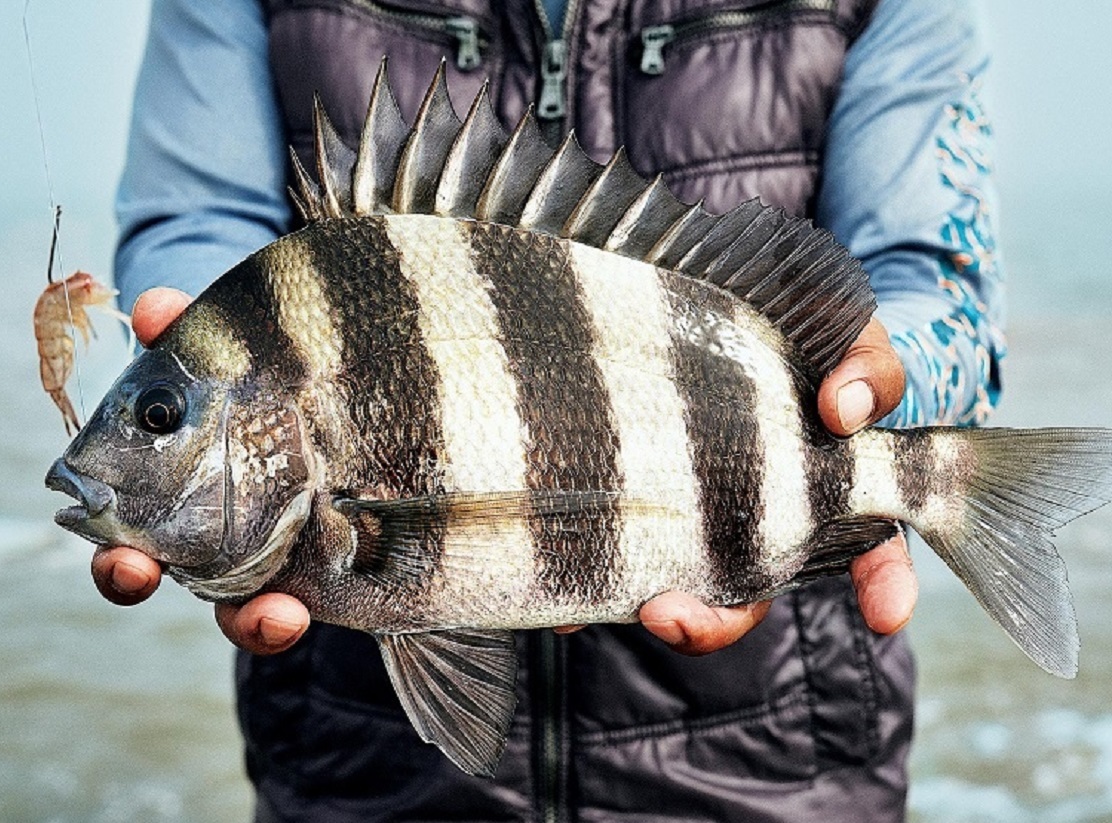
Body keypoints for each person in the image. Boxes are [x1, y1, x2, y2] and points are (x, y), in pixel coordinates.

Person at [95, 0, 1004, 820]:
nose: (131, 442)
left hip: (779, 751)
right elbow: (196, 215)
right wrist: (190, 303)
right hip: (361, 761)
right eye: (161, 417)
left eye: (157, 417)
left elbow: (932, 279)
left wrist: (878, 402)